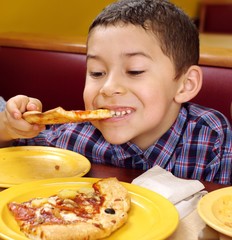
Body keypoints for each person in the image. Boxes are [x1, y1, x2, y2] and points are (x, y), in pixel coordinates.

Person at [0, 0, 231, 184]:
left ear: (185, 84)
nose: (108, 88)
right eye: (97, 72)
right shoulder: (74, 135)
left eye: (135, 70)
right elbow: (13, 152)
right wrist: (10, 126)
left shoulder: (211, 137)